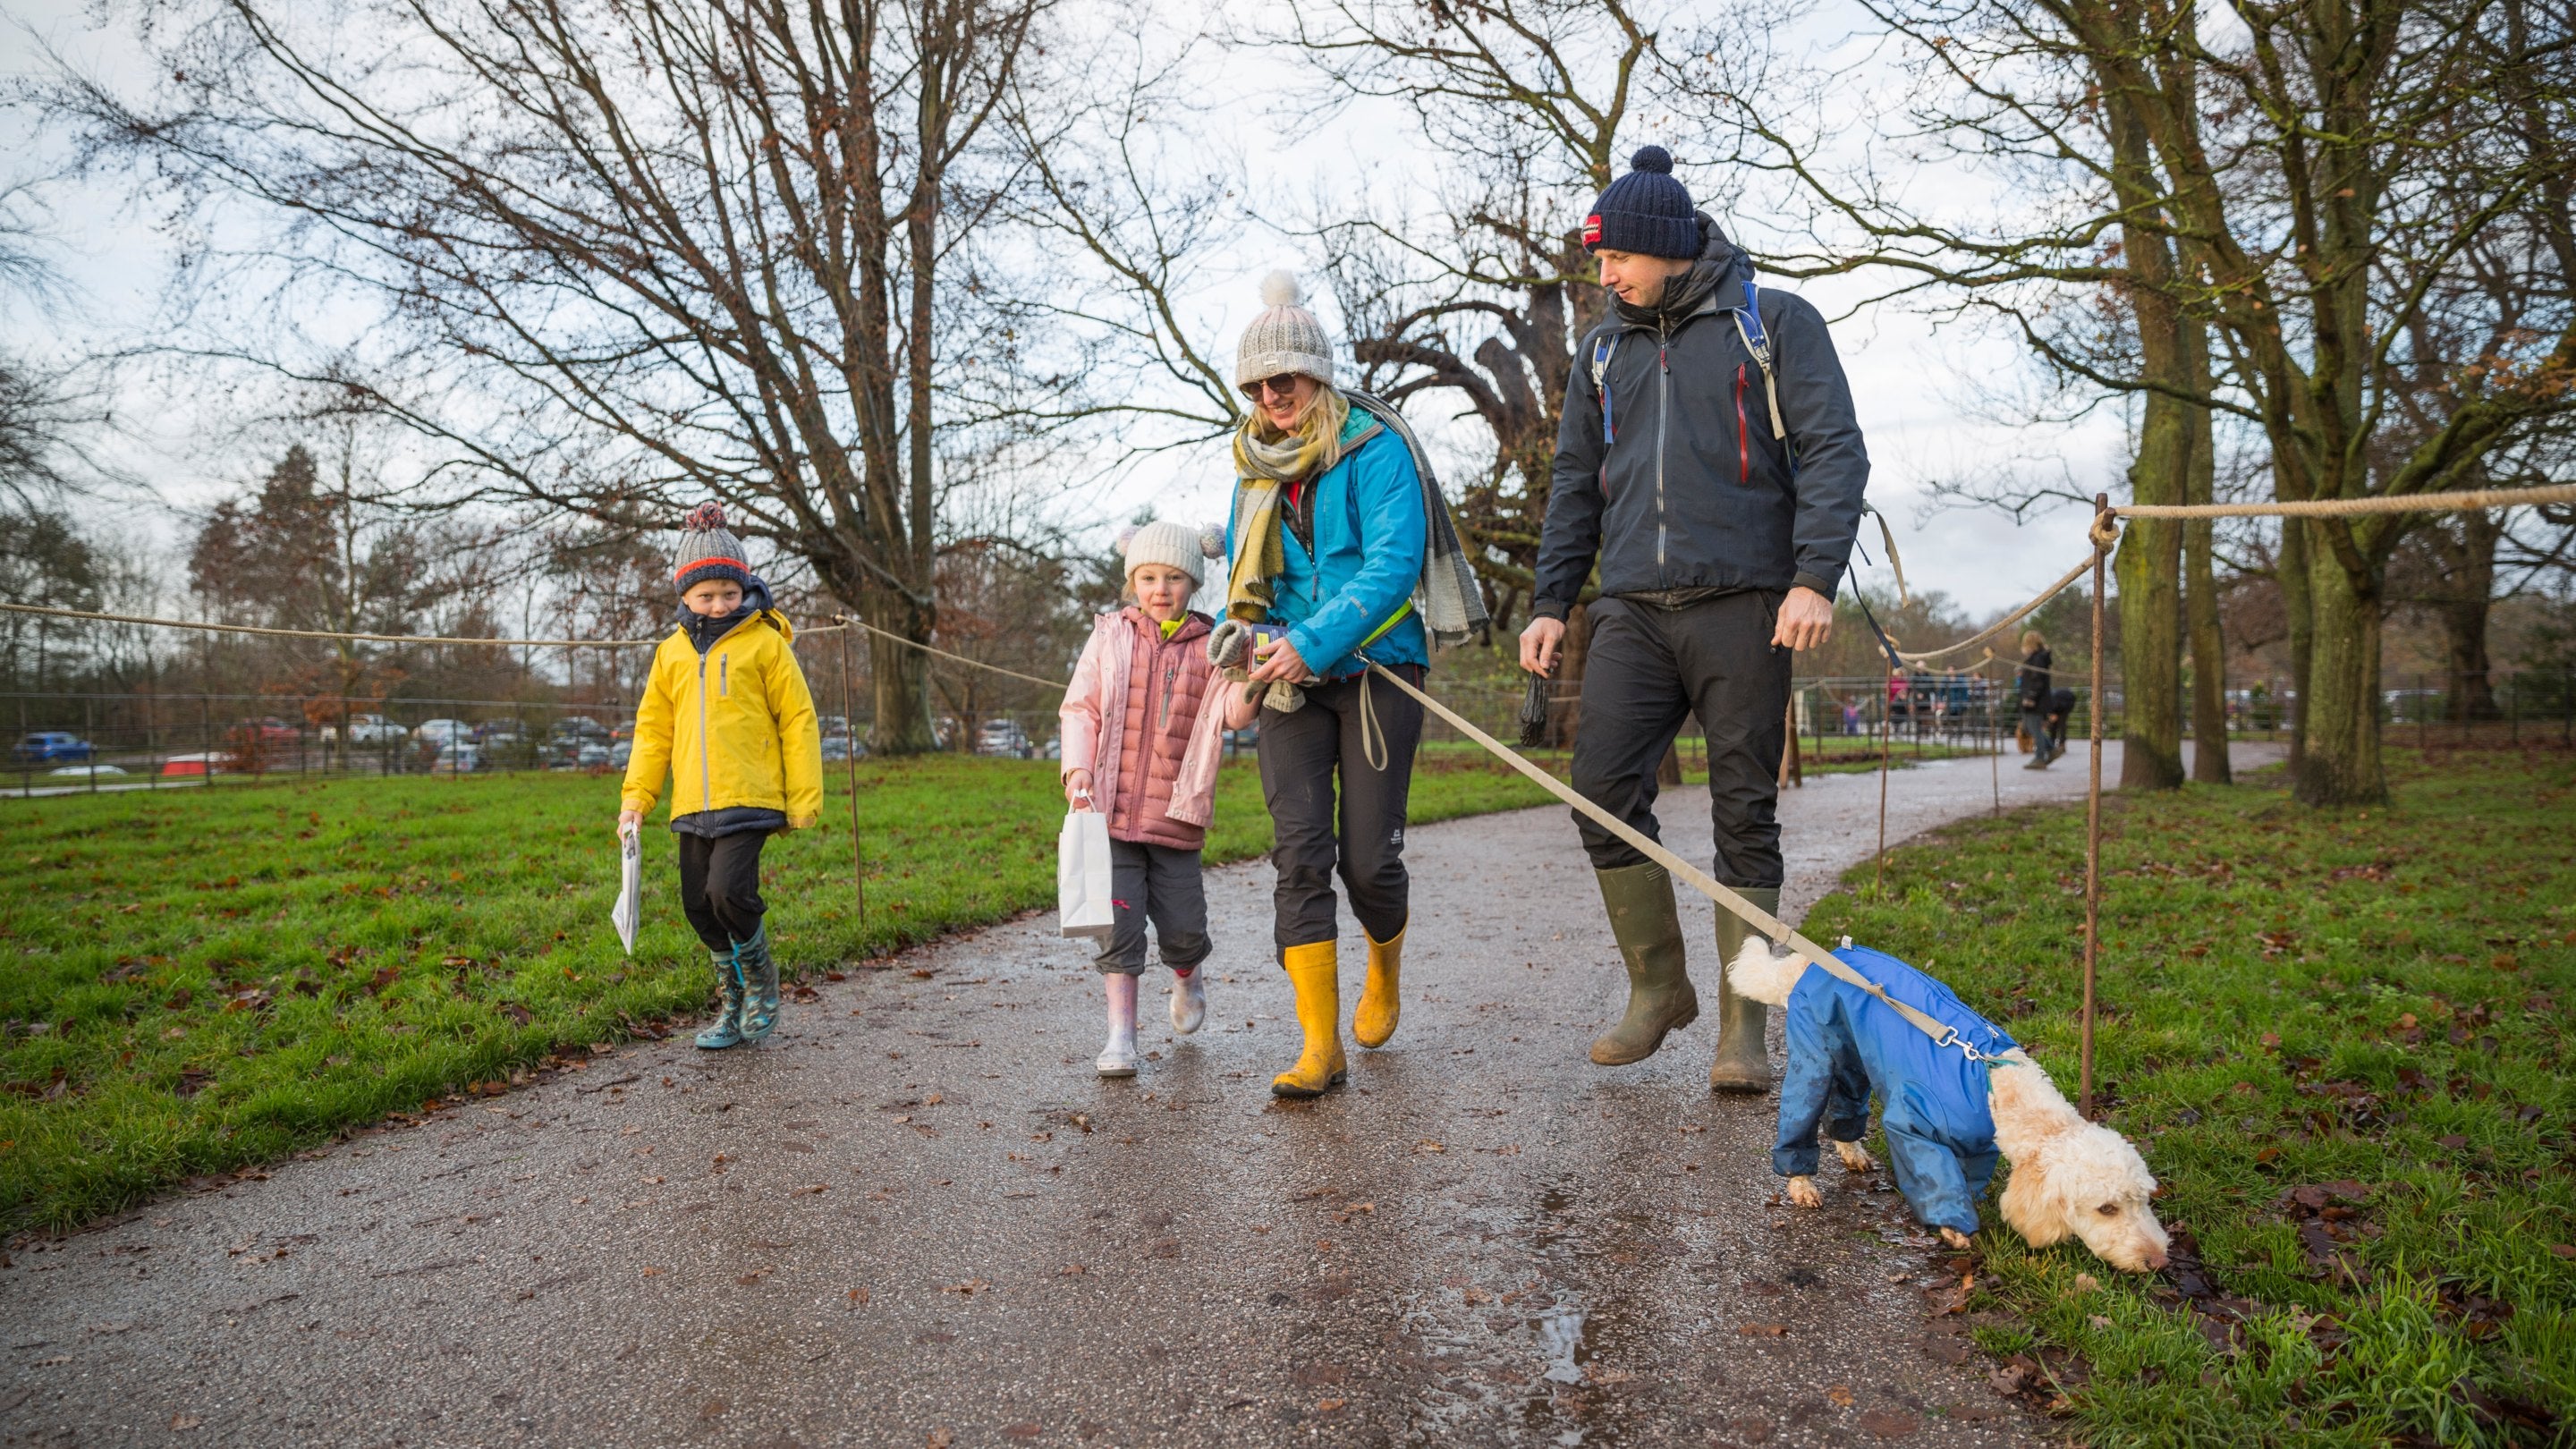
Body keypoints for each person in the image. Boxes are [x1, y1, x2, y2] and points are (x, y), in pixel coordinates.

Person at [1519, 146, 1870, 1093]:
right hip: (1632, 604)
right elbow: (1573, 489)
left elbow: (1837, 451)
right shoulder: (1602, 350)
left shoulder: (1774, 323)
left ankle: (1742, 1028)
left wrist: (1813, 579)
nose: (1603, 275)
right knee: (1598, 789)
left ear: (1663, 247)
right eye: (1598, 261)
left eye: (1614, 257)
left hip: (1750, 600)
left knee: (1743, 812)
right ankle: (1659, 988)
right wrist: (1553, 600)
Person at [1222, 271, 1431, 1098]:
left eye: (1286, 378)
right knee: (1298, 857)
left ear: (1318, 376)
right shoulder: (1249, 470)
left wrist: (1311, 642)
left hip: (1380, 667)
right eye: (1257, 383)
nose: (1272, 394)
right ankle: (1320, 1047)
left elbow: (1391, 570)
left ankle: (1385, 968)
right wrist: (1246, 648)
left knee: (1368, 862)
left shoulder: (1377, 450)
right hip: (1289, 684)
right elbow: (1250, 586)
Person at [619, 504, 824, 1049]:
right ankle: (730, 1001)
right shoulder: (670, 654)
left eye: (729, 593)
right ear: (685, 596)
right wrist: (636, 799)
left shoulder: (766, 644)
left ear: (745, 587)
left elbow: (798, 720)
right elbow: (652, 730)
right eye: (706, 595)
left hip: (752, 794)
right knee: (697, 904)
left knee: (728, 891)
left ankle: (759, 977)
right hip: (691, 803)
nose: (718, 604)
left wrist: (803, 799)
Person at [1059, 521, 1259, 1077]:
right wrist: (1078, 771)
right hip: (1111, 811)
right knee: (1118, 931)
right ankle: (1121, 1037)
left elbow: (1236, 715)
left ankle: (1187, 976)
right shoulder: (1109, 636)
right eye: (1147, 577)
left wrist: (1252, 670)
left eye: (1173, 577)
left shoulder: (1215, 644)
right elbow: (1082, 708)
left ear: (1193, 582)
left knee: (1183, 930)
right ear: (1132, 581)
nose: (1160, 588)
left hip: (1178, 812)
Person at [2018, 630, 2058, 768]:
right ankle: (2051, 749)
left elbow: (2037, 680)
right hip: (2035, 699)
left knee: (2034, 728)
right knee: (2031, 727)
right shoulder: (2036, 658)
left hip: (2035, 701)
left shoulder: (2038, 658)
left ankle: (2040, 757)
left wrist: (2030, 697)